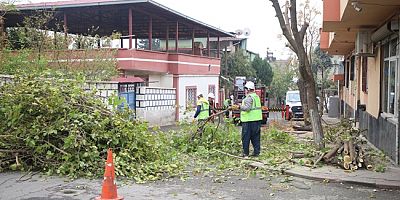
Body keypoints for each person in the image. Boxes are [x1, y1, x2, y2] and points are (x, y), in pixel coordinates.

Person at [238, 81, 262, 157]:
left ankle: (245, 153)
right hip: (257, 120)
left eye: (245, 89)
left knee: (246, 138)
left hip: (248, 121)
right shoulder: (256, 97)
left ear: (248, 89)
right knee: (255, 137)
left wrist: (239, 107)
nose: (245, 91)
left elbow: (247, 108)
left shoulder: (249, 98)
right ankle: (256, 152)